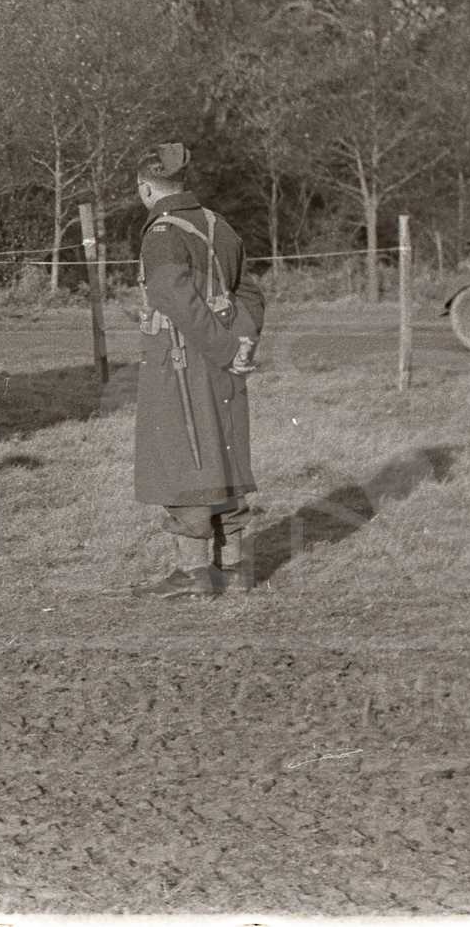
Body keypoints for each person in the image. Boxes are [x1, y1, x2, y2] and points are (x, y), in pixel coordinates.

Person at [128, 142, 265, 598]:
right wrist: (241, 343)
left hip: (181, 364)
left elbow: (173, 297)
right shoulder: (218, 224)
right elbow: (249, 294)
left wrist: (226, 348)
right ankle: (234, 569)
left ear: (146, 189)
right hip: (223, 361)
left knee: (183, 460)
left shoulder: (161, 233)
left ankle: (193, 575)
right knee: (223, 455)